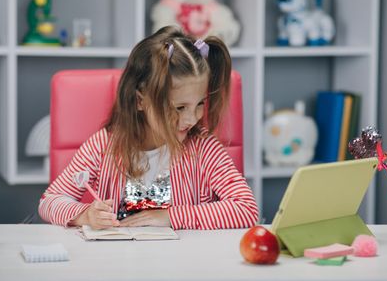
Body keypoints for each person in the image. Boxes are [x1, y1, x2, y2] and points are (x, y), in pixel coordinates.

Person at [38, 26, 258, 230]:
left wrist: (170, 216)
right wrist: (84, 215)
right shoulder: (103, 146)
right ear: (141, 101)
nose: (192, 119)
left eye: (200, 104)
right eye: (180, 107)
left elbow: (246, 209)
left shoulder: (203, 148)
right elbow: (50, 202)